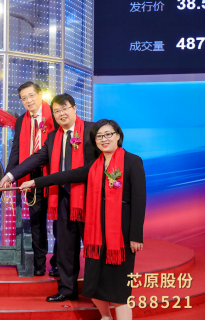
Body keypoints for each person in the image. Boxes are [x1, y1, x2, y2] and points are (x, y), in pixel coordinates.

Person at [20, 119, 146, 320]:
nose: (104, 139)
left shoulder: (132, 161)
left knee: (120, 288)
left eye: (108, 134)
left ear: (118, 136)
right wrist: (35, 181)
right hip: (95, 231)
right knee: (94, 283)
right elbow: (65, 175)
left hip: (120, 233)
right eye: (99, 136)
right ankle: (105, 316)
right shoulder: (94, 166)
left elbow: (139, 200)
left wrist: (136, 235)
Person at [0, 93, 100, 302]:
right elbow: (36, 158)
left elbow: (95, 166)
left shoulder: (91, 131)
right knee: (65, 245)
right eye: (56, 111)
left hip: (88, 199)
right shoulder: (53, 137)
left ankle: (95, 291)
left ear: (74, 109)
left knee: (91, 246)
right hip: (62, 197)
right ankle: (66, 289)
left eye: (65, 109)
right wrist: (10, 175)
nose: (61, 114)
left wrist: (39, 181)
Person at [5, 81, 59, 277]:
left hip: (53, 175)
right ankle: (38, 263)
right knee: (36, 222)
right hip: (30, 178)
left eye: (31, 96)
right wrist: (9, 174)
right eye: (24, 98)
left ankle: (57, 262)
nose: (28, 101)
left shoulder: (54, 114)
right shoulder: (21, 121)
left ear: (40, 94)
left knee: (58, 222)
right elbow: (16, 150)